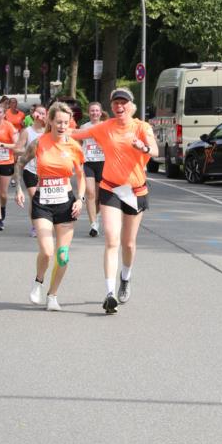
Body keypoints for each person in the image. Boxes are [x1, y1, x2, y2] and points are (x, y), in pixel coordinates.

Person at [72, 87, 158, 314]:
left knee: (128, 243)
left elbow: (156, 150)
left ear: (132, 106)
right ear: (111, 107)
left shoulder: (142, 127)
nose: (120, 107)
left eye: (124, 103)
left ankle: (125, 278)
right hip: (110, 189)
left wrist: (144, 147)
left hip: (136, 191)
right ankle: (109, 293)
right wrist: (54, 127)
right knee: (111, 239)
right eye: (116, 103)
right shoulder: (105, 127)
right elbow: (74, 135)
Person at [15, 101, 85, 311]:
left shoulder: (73, 146)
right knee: (47, 251)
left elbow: (81, 176)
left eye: (66, 122)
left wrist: (80, 200)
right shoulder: (39, 143)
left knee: (62, 256)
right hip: (43, 201)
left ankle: (52, 295)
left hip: (66, 202)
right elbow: (20, 163)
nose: (63, 126)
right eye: (59, 122)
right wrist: (19, 188)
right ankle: (38, 281)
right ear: (50, 121)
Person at [17, 103, 47, 237]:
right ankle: (35, 226)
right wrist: (29, 150)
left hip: (45, 170)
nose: (40, 115)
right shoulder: (27, 131)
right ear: (33, 114)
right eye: (38, 112)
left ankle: (44, 223)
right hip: (30, 169)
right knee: (35, 198)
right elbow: (17, 148)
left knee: (44, 198)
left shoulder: (49, 132)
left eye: (43, 113)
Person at [80, 102, 107, 237]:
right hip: (88, 162)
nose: (94, 113)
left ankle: (96, 218)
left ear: (100, 113)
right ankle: (93, 224)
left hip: (103, 163)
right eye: (92, 111)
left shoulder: (106, 127)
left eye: (97, 111)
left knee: (99, 197)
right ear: (88, 112)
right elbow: (78, 144)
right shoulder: (84, 127)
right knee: (90, 193)